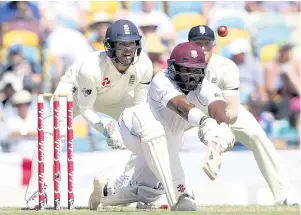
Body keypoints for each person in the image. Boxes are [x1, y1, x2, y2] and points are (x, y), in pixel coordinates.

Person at [88, 42, 235, 211]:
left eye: (196, 70)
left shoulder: (205, 85)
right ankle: (179, 198)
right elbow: (180, 106)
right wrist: (204, 122)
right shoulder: (162, 79)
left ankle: (102, 194)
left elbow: (217, 105)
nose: (192, 76)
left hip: (169, 140)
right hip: (136, 130)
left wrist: (223, 127)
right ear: (173, 68)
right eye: (186, 70)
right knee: (150, 125)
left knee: (147, 191)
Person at [25, 19, 154, 209]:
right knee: (50, 127)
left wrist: (133, 127)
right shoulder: (91, 68)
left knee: (146, 127)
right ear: (110, 47)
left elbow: (140, 106)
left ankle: (140, 188)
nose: (128, 50)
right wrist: (107, 128)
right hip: (75, 93)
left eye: (132, 43)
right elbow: (87, 109)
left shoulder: (144, 65)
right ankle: (36, 190)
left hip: (117, 96)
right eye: (121, 44)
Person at [187, 25, 298, 205]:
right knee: (158, 135)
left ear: (214, 45)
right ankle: (149, 191)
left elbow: (233, 109)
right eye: (197, 43)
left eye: (206, 43)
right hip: (186, 111)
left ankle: (284, 193)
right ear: (188, 45)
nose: (202, 48)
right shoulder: (178, 63)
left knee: (257, 135)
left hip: (222, 111)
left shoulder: (226, 66)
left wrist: (220, 133)